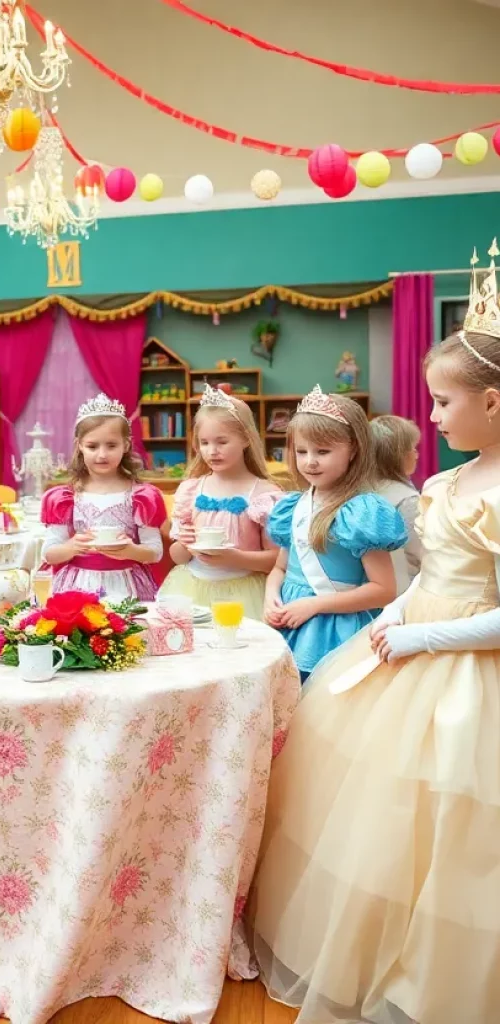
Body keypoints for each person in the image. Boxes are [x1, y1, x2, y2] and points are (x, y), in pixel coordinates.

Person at [247, 266, 500, 1023]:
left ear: (493, 401)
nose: (431, 414)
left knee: (458, 824)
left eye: (444, 401)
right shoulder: (451, 484)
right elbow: (429, 578)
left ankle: (438, 974)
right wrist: (398, 619)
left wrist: (421, 634)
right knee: (386, 822)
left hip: (465, 676)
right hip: (410, 647)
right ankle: (378, 957)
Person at [264, 386, 406, 682]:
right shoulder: (293, 506)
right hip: (289, 624)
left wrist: (314, 605)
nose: (310, 461)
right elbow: (279, 567)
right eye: (301, 451)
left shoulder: (361, 512)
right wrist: (270, 597)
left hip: (336, 633)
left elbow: (383, 590)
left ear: (353, 449)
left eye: (323, 451)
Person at [160, 385, 282, 617]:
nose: (212, 451)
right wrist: (185, 544)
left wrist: (235, 558)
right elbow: (177, 558)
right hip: (192, 589)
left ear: (246, 439)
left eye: (221, 442)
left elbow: (276, 560)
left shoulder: (264, 494)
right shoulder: (191, 490)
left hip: (244, 595)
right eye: (204, 443)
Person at [41, 393, 166, 602]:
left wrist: (131, 551)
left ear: (125, 445)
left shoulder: (142, 496)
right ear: (79, 445)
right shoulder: (64, 498)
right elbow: (48, 554)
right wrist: (71, 547)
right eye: (92, 446)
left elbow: (155, 552)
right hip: (78, 586)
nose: (102, 455)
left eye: (111, 445)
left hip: (128, 585)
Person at [371, 413, 424, 592]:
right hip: (403, 591)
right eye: (412, 448)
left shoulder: (361, 491)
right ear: (397, 455)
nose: (416, 454)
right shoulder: (407, 501)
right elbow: (423, 555)